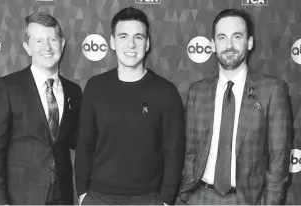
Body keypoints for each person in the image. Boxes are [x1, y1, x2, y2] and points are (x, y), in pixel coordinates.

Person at [176, 9, 292, 205]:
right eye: (222, 37)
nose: (229, 45)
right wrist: (186, 195)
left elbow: (279, 159)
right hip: (199, 197)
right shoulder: (198, 91)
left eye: (236, 36)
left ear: (249, 42)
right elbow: (190, 152)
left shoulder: (272, 90)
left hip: (248, 200)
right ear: (212, 45)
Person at [75, 6, 185, 205]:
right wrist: (83, 194)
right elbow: (84, 144)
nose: (131, 44)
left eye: (138, 37)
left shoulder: (165, 92)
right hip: (98, 198)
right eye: (123, 36)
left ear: (148, 43)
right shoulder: (95, 87)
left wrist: (166, 200)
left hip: (148, 199)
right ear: (113, 42)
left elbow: (174, 152)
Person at [0, 12, 82, 205]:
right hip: (20, 198)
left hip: (62, 196)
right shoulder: (7, 87)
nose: (46, 47)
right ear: (27, 47)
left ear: (62, 44)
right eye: (38, 40)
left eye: (52, 39)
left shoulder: (74, 91)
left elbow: (78, 140)